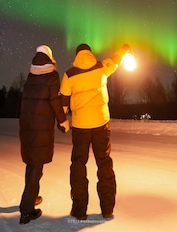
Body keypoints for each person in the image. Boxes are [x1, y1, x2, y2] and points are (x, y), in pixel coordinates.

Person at [60, 43, 131, 220]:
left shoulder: (69, 75)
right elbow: (115, 60)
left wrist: (62, 121)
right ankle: (107, 209)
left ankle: (79, 210)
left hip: (80, 126)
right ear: (90, 53)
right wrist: (124, 49)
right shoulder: (101, 67)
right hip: (101, 123)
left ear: (77, 56)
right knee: (104, 163)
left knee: (78, 165)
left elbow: (63, 101)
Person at [18, 45, 70, 225]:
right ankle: (27, 210)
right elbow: (55, 101)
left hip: (27, 127)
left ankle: (31, 197)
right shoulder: (51, 76)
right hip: (41, 128)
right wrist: (62, 121)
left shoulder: (31, 77)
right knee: (36, 168)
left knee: (32, 164)